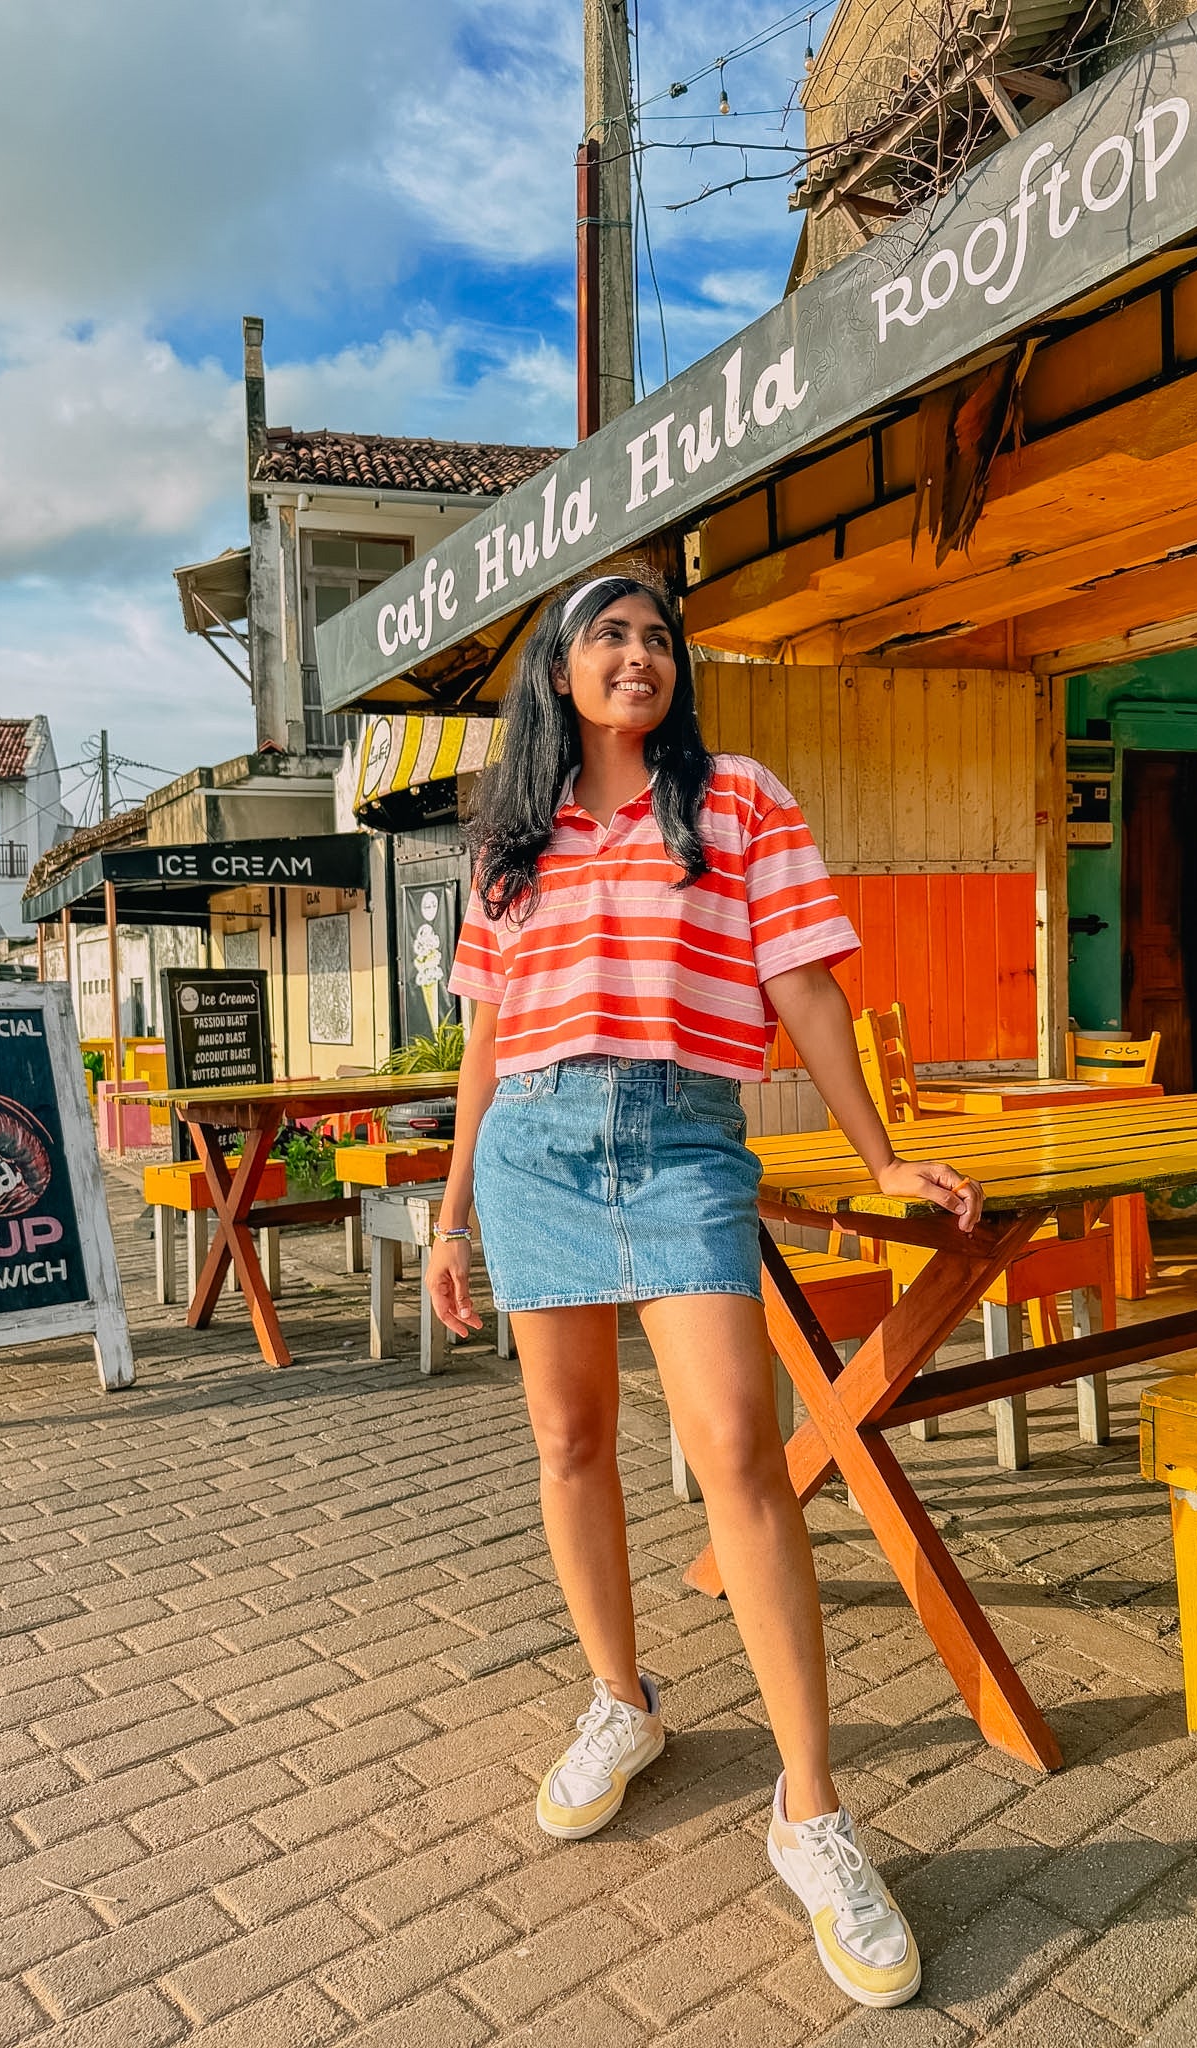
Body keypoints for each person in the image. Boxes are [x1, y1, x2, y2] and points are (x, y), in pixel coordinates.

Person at [426, 571, 983, 2009]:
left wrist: (882, 1154)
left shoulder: (736, 797)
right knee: (569, 1444)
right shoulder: (507, 838)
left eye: (655, 638)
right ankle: (621, 1701)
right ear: (557, 672)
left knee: (737, 1453)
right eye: (607, 636)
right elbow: (484, 1044)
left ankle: (812, 1814)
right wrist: (448, 1215)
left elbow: (804, 986)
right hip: (533, 1143)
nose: (637, 654)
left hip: (681, 1139)